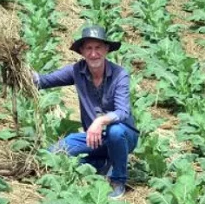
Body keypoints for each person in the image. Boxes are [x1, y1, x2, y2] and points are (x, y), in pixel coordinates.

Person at [34, 26, 139, 200]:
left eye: (98, 48)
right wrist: (22, 72)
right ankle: (102, 163)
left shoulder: (120, 75)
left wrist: (99, 122)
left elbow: (122, 111)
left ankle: (118, 180)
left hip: (123, 136)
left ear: (106, 49)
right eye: (89, 48)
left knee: (115, 131)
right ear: (82, 51)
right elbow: (43, 81)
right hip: (94, 138)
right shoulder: (77, 71)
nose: (93, 53)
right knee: (55, 153)